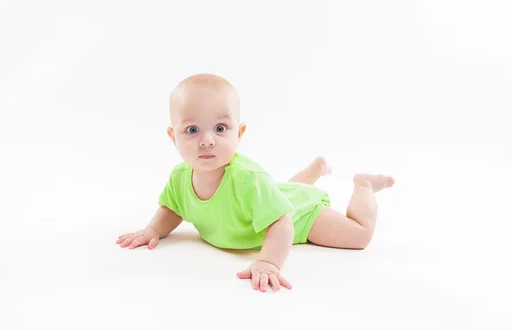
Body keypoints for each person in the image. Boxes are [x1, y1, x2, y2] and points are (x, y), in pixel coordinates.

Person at [116, 73, 395, 292]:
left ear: (240, 132)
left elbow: (281, 222)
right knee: (278, 191)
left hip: (299, 217)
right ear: (172, 136)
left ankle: (364, 186)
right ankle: (314, 170)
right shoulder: (180, 176)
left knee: (359, 237)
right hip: (275, 199)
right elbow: (173, 207)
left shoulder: (249, 178)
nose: (207, 140)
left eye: (221, 128)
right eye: (192, 130)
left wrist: (269, 261)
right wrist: (153, 229)